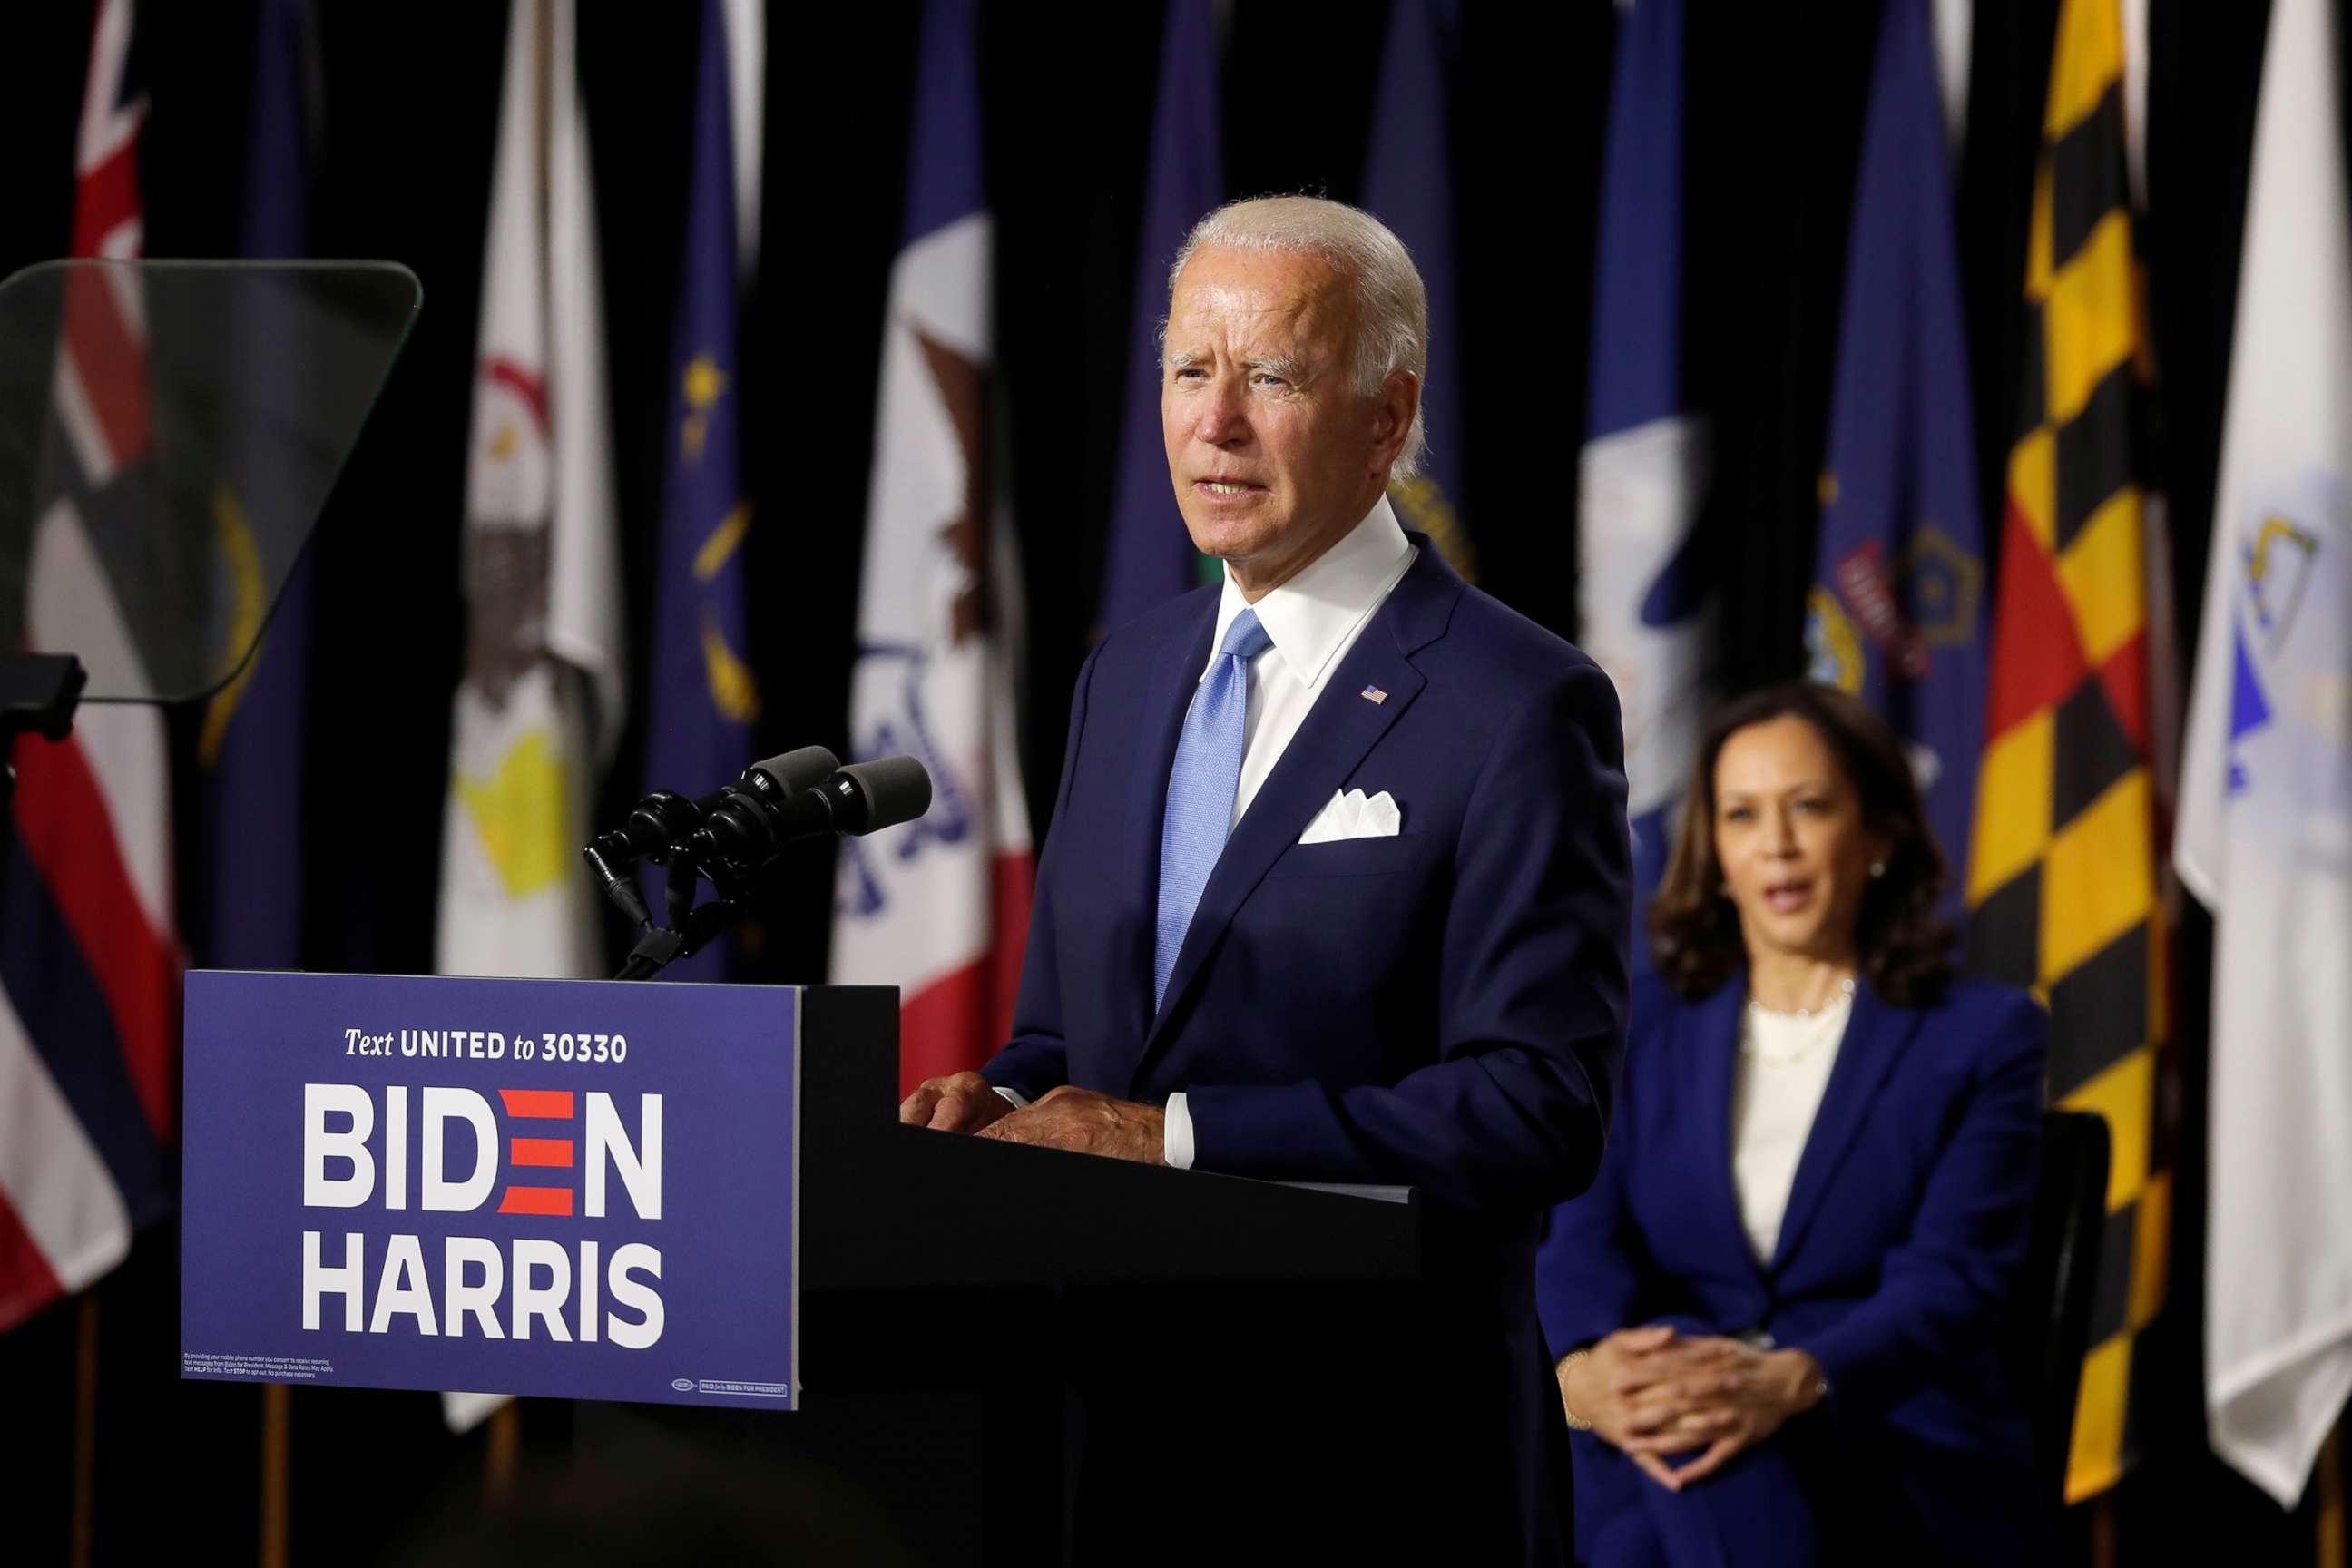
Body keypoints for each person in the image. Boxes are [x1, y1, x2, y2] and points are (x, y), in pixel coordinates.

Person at [899, 195, 1632, 1565]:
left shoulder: (1518, 704)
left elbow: (1541, 1106)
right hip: (1109, 1449)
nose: (1214, 423)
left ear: (1387, 414)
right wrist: (1000, 1100)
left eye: (1272, 375)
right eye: (1190, 370)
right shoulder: (1127, 673)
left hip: (1375, 1461)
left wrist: (1175, 1137)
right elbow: (1077, 1038)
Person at [1535, 682, 2050, 1566]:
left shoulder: (1984, 1035)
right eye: (1742, 816)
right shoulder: (1640, 1028)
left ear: (1878, 837)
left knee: (1630, 1534)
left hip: (1881, 1430)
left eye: (1807, 808)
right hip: (1662, 1420)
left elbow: (1952, 1282)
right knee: (1641, 1471)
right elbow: (1580, 1241)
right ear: (1716, 853)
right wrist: (1584, 1371)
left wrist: (1791, 1379)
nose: (1775, 845)